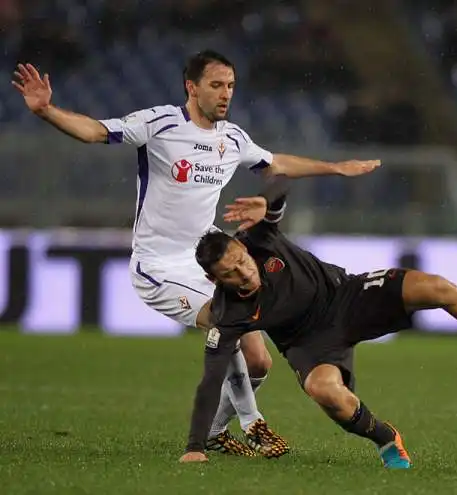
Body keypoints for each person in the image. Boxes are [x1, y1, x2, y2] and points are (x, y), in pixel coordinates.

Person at [11, 50, 380, 460]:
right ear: (192, 87)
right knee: (227, 322)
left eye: (231, 86)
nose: (226, 94)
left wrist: (335, 168)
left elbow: (276, 163)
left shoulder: (232, 138)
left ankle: (216, 431)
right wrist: (46, 111)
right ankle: (252, 422)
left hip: (207, 262)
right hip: (158, 265)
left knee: (259, 363)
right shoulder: (160, 123)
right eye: (217, 85)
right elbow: (96, 131)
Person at [186, 184, 457, 467]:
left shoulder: (260, 238)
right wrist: (195, 445)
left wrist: (267, 198)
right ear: (216, 280)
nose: (244, 273)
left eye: (241, 261)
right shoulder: (229, 314)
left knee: (437, 288)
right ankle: (386, 439)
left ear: (241, 246)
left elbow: (280, 185)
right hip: (309, 343)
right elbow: (210, 380)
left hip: (348, 296)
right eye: (231, 274)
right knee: (325, 391)